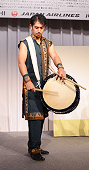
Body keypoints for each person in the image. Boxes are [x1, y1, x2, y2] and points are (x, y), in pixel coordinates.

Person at [18, 14, 66, 161]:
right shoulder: (25, 43)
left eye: (41, 28)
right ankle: (34, 149)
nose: (39, 30)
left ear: (44, 28)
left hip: (44, 87)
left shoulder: (48, 43)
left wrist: (60, 67)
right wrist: (27, 81)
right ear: (31, 27)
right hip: (31, 85)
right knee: (34, 117)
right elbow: (21, 63)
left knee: (42, 116)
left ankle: (36, 145)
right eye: (36, 27)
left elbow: (55, 56)